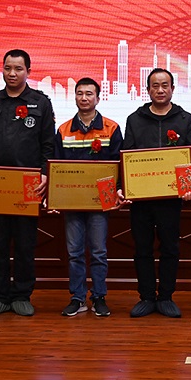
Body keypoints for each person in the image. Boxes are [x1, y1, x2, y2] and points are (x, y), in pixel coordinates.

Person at [0, 50, 55, 317]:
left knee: (26, 244)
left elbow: (48, 144)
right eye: (7, 68)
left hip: (27, 185)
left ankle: (22, 295)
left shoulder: (40, 103)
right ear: (2, 70)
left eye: (18, 69)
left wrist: (45, 173)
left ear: (28, 71)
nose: (12, 73)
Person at [122, 68, 191, 319]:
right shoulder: (135, 119)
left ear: (173, 89)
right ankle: (146, 297)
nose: (160, 90)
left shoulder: (185, 119)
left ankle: (166, 296)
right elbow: (127, 156)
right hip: (141, 199)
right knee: (142, 248)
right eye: (155, 86)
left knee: (170, 248)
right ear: (148, 90)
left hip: (171, 199)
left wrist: (190, 186)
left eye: (165, 85)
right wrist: (126, 186)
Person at [54, 77, 123, 318]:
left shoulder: (111, 128)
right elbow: (56, 166)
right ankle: (77, 297)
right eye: (80, 93)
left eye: (89, 94)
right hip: (72, 201)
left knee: (98, 252)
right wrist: (55, 197)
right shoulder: (63, 130)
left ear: (98, 98)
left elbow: (118, 164)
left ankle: (99, 297)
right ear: (74, 97)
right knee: (74, 252)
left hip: (99, 202)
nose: (84, 98)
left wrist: (117, 191)